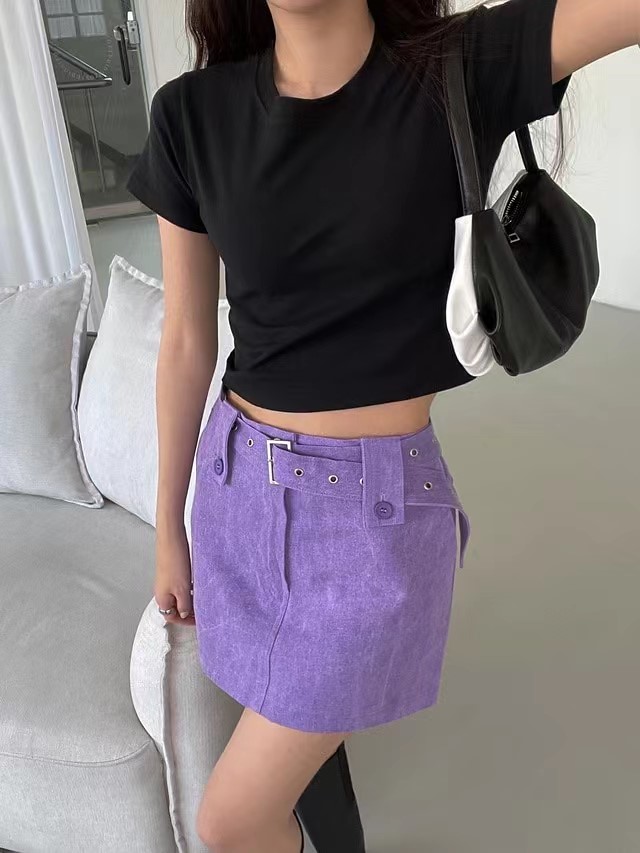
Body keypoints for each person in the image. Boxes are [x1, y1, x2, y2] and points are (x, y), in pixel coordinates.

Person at [126, 0, 639, 849]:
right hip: (235, 494)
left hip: (374, 521)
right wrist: (168, 528)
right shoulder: (191, 113)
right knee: (295, 737)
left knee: (231, 820)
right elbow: (186, 341)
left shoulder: (461, 67)